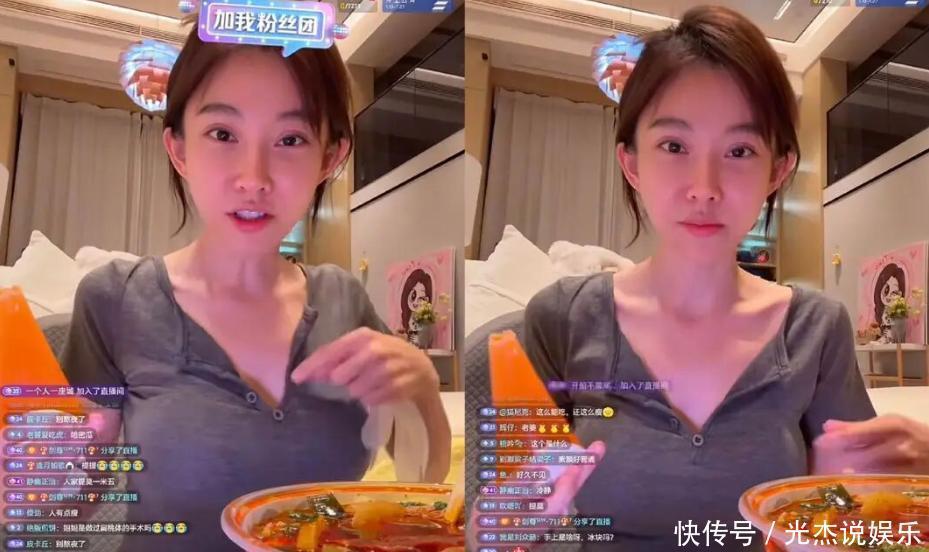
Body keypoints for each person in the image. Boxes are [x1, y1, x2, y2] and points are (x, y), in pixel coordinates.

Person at [520, 6, 929, 550]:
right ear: (632, 163)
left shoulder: (815, 329)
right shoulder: (561, 320)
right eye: (674, 146)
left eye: (739, 150)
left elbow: (851, 514)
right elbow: (501, 518)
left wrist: (902, 481)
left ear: (777, 170)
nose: (705, 187)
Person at [59, 15, 451, 551]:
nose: (254, 178)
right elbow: (72, 497)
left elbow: (421, 488)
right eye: (223, 134)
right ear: (179, 149)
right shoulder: (116, 300)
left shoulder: (343, 300)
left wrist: (423, 388)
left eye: (290, 139)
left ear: (329, 157)